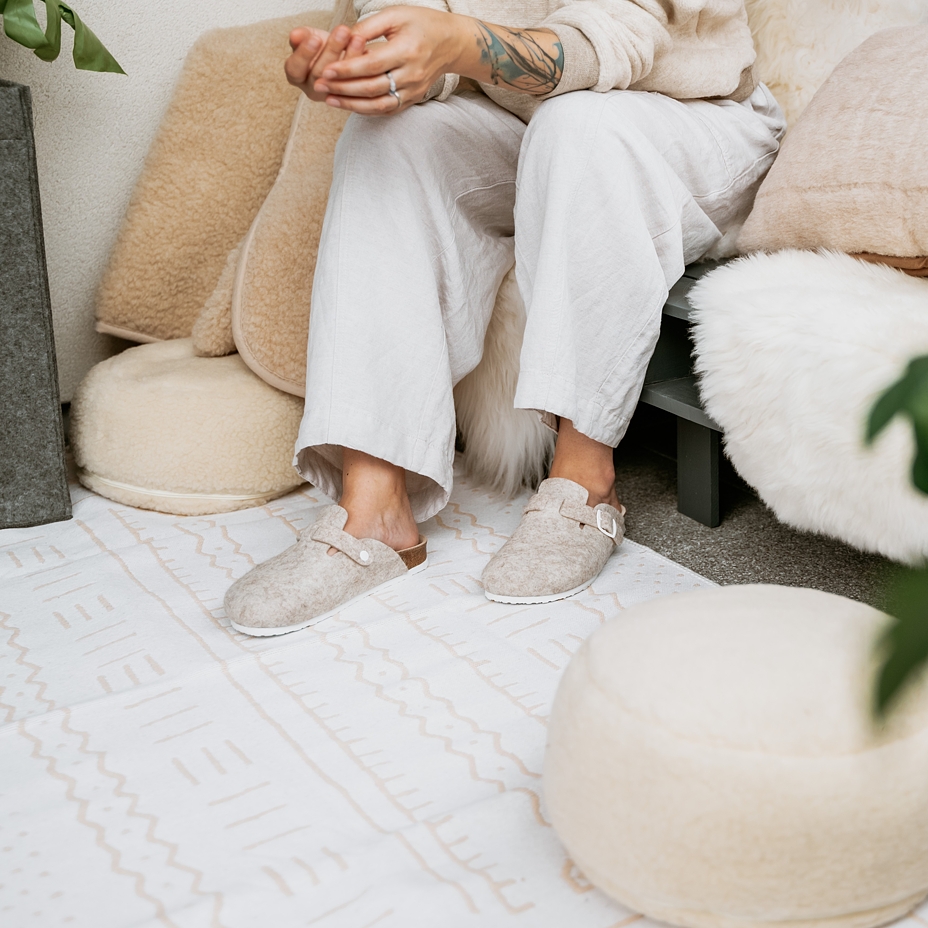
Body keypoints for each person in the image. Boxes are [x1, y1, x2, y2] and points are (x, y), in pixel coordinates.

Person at [224, 0, 786, 636]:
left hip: (688, 117)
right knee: (388, 139)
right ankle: (373, 509)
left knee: (581, 127)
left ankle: (584, 480)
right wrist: (374, 64)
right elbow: (425, 41)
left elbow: (616, 44)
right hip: (526, 123)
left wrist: (460, 41)